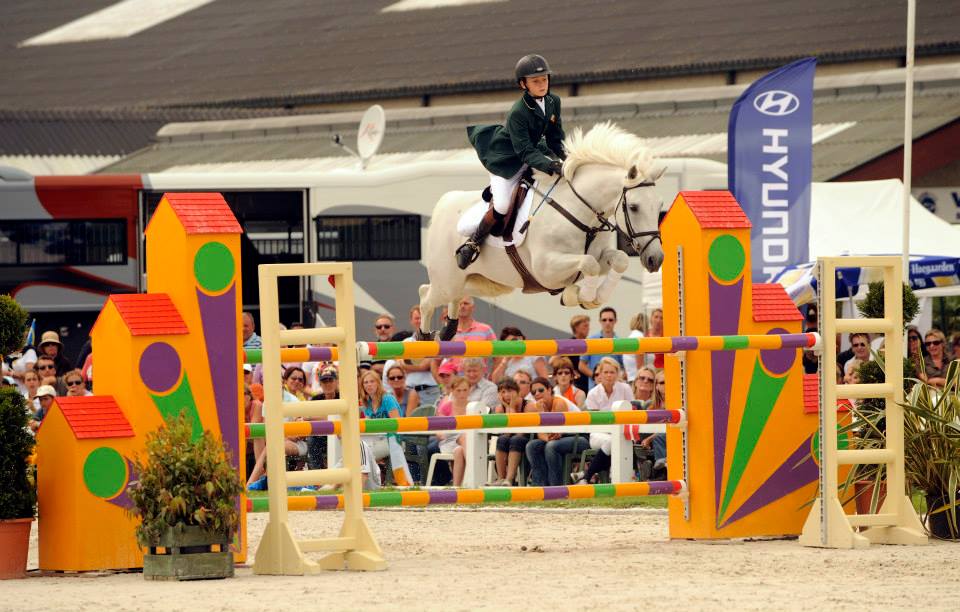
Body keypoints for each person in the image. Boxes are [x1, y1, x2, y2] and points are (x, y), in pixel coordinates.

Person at [457, 54, 565, 269]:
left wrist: (568, 159)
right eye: (536, 81)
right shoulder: (518, 112)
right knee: (503, 205)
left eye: (544, 79)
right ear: (523, 84)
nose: (542, 84)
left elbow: (555, 138)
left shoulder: (554, 101)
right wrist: (549, 165)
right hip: (506, 160)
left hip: (533, 152)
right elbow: (524, 152)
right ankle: (474, 243)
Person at [578, 357, 633, 484]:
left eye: (612, 372)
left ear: (617, 373)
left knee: (616, 441)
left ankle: (587, 476)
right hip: (598, 433)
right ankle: (613, 480)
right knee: (613, 442)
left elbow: (632, 412)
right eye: (606, 372)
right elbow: (594, 422)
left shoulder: (625, 389)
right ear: (600, 374)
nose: (609, 375)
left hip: (622, 432)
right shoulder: (593, 393)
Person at [525, 377, 582, 486]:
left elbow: (556, 430)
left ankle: (555, 486)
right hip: (560, 437)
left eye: (540, 390)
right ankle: (540, 485)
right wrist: (547, 438)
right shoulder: (538, 406)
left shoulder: (559, 402)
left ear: (549, 390)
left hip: (579, 437)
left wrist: (541, 413)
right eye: (533, 392)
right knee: (532, 446)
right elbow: (540, 433)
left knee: (551, 446)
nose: (537, 394)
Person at [492, 378, 534, 486]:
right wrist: (508, 408)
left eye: (510, 391)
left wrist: (511, 408)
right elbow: (506, 433)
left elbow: (520, 432)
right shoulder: (500, 409)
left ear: (517, 392)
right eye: (503, 392)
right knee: (502, 439)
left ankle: (509, 479)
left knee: (516, 439)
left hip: (527, 438)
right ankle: (501, 478)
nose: (506, 395)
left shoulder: (528, 406)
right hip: (510, 438)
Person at [434, 376, 471, 486]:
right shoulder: (446, 407)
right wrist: (442, 434)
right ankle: (473, 467)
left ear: (469, 390)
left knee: (459, 450)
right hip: (449, 440)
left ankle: (456, 487)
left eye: (465, 390)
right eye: (458, 390)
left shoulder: (473, 406)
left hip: (468, 441)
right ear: (452, 391)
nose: (462, 394)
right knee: (463, 437)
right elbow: (438, 430)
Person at [582, 307, 624, 390]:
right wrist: (595, 376)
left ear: (615, 321)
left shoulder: (620, 342)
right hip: (595, 388)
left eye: (610, 320)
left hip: (614, 388)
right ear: (600, 321)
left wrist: (618, 378)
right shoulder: (591, 340)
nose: (607, 323)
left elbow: (623, 367)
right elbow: (581, 365)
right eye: (604, 320)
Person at [639, 369, 668, 477]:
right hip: (655, 440)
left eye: (668, 381)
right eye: (662, 383)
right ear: (656, 386)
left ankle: (661, 465)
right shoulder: (650, 406)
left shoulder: (679, 402)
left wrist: (650, 438)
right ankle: (661, 466)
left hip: (669, 436)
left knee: (660, 436)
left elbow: (669, 427)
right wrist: (648, 438)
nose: (666, 385)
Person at [622, 312, 648, 383]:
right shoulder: (639, 337)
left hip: (631, 378)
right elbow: (640, 365)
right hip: (639, 380)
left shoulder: (630, 337)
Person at [569, 315, 591, 395]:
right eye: (585, 326)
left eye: (588, 326)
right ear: (576, 327)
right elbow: (553, 360)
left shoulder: (588, 342)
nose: (588, 328)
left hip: (588, 382)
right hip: (577, 384)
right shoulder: (571, 343)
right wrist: (571, 369)